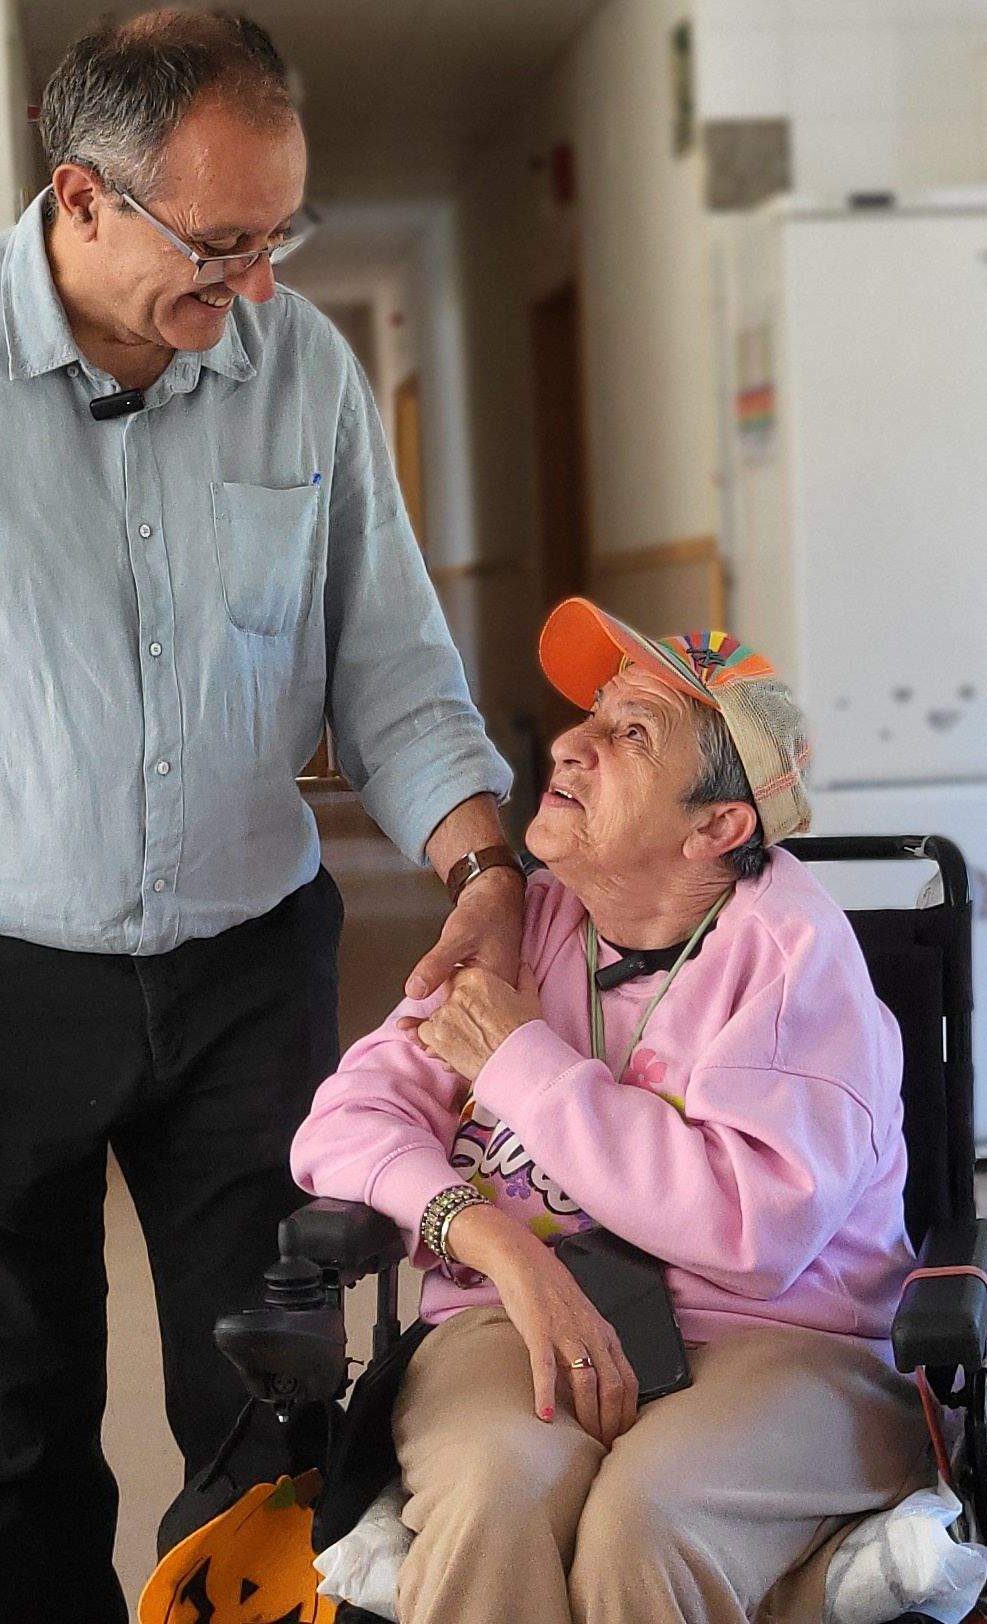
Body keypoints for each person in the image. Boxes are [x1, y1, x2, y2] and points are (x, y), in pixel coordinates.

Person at [0, 2, 523, 1623]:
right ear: (82, 197)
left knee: (275, 1404)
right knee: (2, 1442)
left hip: (245, 969)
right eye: (221, 242)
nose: (259, 286)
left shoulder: (296, 364)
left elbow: (389, 660)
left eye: (278, 234)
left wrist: (482, 859)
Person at [287, 599, 934, 1624]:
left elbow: (753, 1229)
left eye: (630, 733)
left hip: (777, 1341)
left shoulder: (792, 959)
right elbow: (342, 1127)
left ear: (717, 827)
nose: (570, 743)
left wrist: (518, 1060)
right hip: (514, 1316)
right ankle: (819, 1590)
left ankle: (821, 1578)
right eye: (592, 714)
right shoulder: (525, 925)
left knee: (642, 1521)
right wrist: (499, 1245)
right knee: (497, 1495)